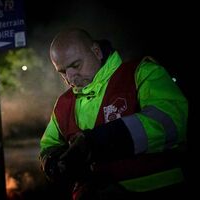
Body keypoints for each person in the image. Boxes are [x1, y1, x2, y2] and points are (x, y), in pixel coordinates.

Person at [39, 28, 188, 200]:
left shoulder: (142, 73)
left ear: (96, 52)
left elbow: (173, 119)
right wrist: (53, 163)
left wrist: (97, 142)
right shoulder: (63, 103)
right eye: (63, 72)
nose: (70, 78)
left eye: (75, 65)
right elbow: (48, 146)